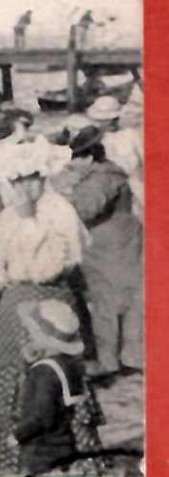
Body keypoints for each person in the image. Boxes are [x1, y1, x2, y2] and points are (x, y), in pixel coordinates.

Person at [0, 137, 89, 475]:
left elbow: (57, 262)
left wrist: (31, 221)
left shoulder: (58, 210)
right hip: (14, 303)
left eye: (32, 177)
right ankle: (4, 459)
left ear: (44, 175)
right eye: (18, 180)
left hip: (50, 300)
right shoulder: (10, 214)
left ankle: (55, 452)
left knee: (50, 374)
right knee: (11, 373)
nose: (25, 186)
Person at [53, 125, 142, 382]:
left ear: (89, 157)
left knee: (107, 302)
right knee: (123, 301)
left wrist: (61, 201)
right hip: (119, 242)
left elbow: (87, 207)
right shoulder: (108, 172)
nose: (74, 165)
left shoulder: (102, 177)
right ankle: (127, 356)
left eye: (77, 160)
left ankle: (108, 361)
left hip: (109, 246)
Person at [14, 300, 103, 473]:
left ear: (42, 338)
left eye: (32, 333)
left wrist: (17, 435)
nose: (29, 337)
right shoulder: (68, 365)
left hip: (42, 449)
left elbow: (42, 415)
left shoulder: (43, 372)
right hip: (66, 441)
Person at [85, 94, 144, 222]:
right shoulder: (95, 141)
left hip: (136, 188)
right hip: (111, 190)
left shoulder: (132, 135)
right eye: (106, 119)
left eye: (115, 118)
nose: (112, 122)